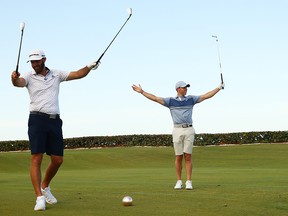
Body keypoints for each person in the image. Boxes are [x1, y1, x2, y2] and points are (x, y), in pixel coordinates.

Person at [11, 49, 100, 211]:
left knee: (58, 159)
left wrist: (89, 66)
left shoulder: (56, 74)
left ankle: (45, 187)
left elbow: (78, 74)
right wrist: (14, 79)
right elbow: (19, 83)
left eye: (37, 61)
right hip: (37, 120)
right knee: (36, 157)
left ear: (44, 59)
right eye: (32, 62)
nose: (34, 64)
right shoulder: (29, 76)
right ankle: (39, 197)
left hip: (54, 121)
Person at [132, 81, 225, 190]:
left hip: (189, 129)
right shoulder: (170, 101)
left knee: (188, 156)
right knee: (178, 156)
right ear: (178, 89)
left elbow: (205, 96)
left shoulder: (191, 99)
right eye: (184, 87)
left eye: (186, 87)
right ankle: (179, 181)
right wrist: (142, 92)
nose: (186, 89)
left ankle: (189, 181)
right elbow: (155, 98)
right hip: (177, 130)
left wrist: (218, 88)